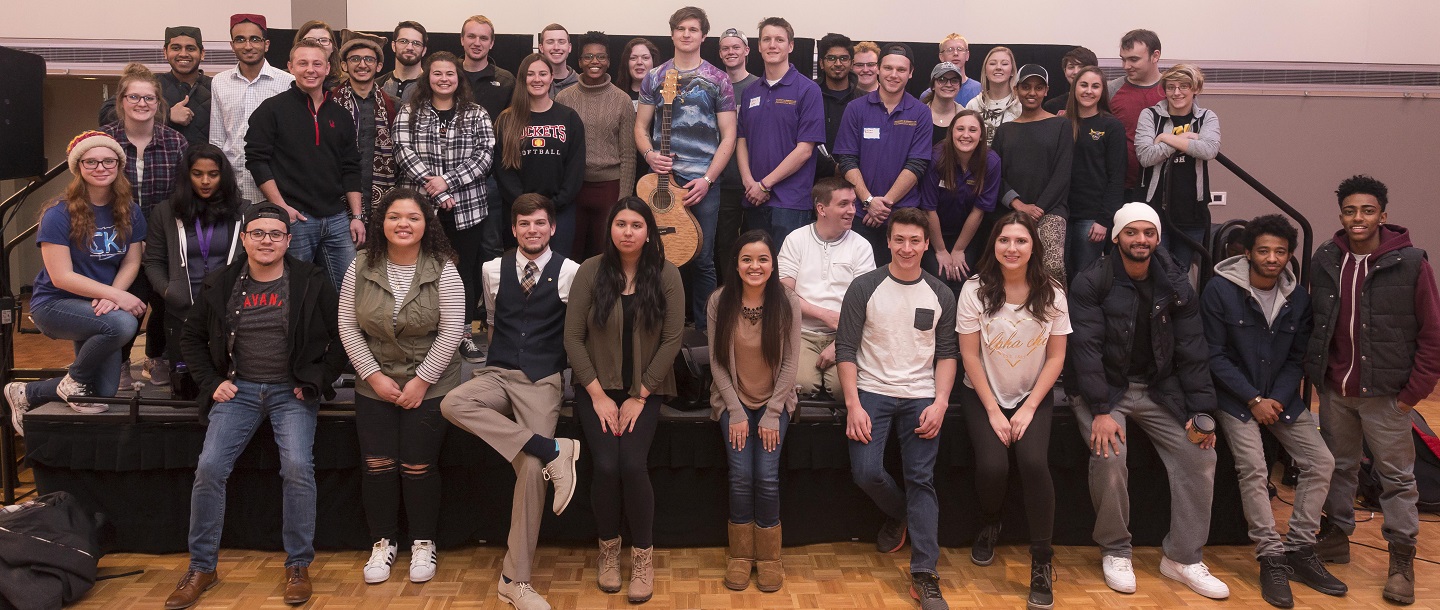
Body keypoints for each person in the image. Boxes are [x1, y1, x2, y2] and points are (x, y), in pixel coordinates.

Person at [165, 202, 345, 609]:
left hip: (290, 391)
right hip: (238, 389)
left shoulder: (311, 280)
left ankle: (298, 565)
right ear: (244, 238)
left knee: (298, 467)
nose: (267, 241)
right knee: (209, 467)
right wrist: (212, 384)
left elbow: (343, 340)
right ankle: (202, 568)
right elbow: (190, 340)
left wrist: (315, 380)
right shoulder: (220, 283)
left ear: (288, 240)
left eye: (275, 234)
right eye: (258, 233)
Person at [1068, 202, 1229, 600]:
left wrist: (1201, 412)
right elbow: (1085, 352)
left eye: (1149, 233)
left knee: (1201, 455)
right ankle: (1115, 550)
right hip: (1105, 389)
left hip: (1160, 388)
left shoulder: (1176, 283)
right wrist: (1101, 412)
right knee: (1109, 456)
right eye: (1132, 232)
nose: (1141, 240)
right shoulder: (1092, 281)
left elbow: (1193, 349)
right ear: (1118, 237)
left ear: (1158, 238)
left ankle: (1183, 557)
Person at [440, 193, 583, 610]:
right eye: (523, 224)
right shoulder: (491, 268)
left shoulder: (570, 271)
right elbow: (494, 320)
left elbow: (573, 333)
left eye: (539, 223)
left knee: (532, 469)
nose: (531, 230)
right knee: (453, 403)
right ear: (513, 228)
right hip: (498, 372)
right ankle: (553, 449)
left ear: (552, 227)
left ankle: (514, 579)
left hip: (542, 379)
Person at [1201, 215, 1346, 608]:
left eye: (1280, 252)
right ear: (1247, 252)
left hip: (1281, 400)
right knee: (1255, 468)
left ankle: (1300, 549)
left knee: (1321, 462)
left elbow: (1297, 357)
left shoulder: (1298, 298)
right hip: (1236, 399)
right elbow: (1213, 355)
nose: (1271, 258)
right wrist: (1252, 399)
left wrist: (1276, 399)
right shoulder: (1220, 290)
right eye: (1263, 250)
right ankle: (1270, 556)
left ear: (1289, 256)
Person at [1310, 175, 1440, 606]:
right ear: (1341, 215)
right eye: (1350, 211)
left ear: (1383, 215)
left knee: (1397, 479)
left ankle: (1401, 560)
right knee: (1340, 467)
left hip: (1388, 394)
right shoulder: (1327, 257)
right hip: (1336, 390)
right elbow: (1317, 322)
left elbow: (1432, 334)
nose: (1358, 218)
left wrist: (1412, 394)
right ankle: (1336, 537)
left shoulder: (1411, 261)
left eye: (1367, 210)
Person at [339, 188, 465, 585]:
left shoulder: (443, 266)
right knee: (377, 465)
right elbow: (347, 325)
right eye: (395, 217)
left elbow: (451, 330)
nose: (403, 224)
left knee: (417, 465)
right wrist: (374, 376)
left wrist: (422, 382)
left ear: (426, 224)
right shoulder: (359, 264)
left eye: (413, 217)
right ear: (381, 223)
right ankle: (383, 542)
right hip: (373, 379)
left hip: (431, 382)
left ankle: (424, 542)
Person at [836, 207, 958, 610]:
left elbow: (946, 354)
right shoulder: (864, 286)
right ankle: (905, 514)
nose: (907, 248)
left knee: (921, 478)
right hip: (871, 389)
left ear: (926, 244)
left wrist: (941, 402)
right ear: (888, 241)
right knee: (866, 472)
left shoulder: (940, 293)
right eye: (899, 240)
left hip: (922, 394)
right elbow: (845, 349)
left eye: (915, 241)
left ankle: (925, 575)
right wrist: (853, 404)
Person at [564, 198, 685, 604]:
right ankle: (609, 552)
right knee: (607, 464)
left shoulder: (667, 274)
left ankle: (643, 558)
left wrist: (639, 395)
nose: (628, 231)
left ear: (648, 231)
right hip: (596, 387)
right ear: (610, 229)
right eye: (621, 223)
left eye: (636, 224)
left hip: (645, 388)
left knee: (632, 464)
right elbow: (572, 339)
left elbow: (672, 339)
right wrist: (597, 394)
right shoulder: (590, 271)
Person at [956, 211, 1069, 610]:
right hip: (983, 392)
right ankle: (990, 522)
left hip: (1032, 395)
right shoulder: (974, 289)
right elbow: (969, 355)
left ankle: (1041, 561)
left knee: (1034, 463)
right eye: (1005, 240)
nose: (1012, 248)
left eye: (1021, 241)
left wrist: (1029, 407)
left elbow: (1056, 358)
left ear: (1033, 247)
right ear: (994, 245)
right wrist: (992, 410)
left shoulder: (1052, 291)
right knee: (993, 467)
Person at [4, 132, 146, 430]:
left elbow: (133, 261)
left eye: (108, 160)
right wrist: (118, 298)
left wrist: (112, 295)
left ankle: (26, 392)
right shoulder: (59, 212)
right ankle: (75, 379)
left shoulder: (130, 210)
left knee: (103, 395)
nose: (100, 167)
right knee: (123, 324)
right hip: (56, 304)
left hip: (99, 305)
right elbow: (61, 276)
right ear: (78, 167)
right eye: (91, 161)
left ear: (119, 165)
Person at [709, 229, 801, 593]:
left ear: (773, 263)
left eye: (763, 259)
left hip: (773, 403)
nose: (755, 265)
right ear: (736, 263)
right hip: (733, 401)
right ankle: (740, 556)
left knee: (765, 476)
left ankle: (769, 557)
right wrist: (734, 409)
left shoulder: (787, 301)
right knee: (740, 475)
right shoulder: (719, 300)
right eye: (747, 259)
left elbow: (792, 360)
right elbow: (717, 361)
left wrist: (772, 411)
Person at [635, 6, 736, 329]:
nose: (686, 34)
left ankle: (705, 334)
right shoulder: (654, 77)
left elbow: (729, 135)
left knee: (703, 259)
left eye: (693, 29)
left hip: (702, 183)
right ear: (672, 34)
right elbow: (640, 127)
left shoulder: (718, 80)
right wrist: (650, 155)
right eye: (681, 29)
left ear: (703, 35)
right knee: (658, 257)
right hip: (663, 180)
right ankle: (660, 326)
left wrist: (708, 178)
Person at [393, 51, 496, 364]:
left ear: (458, 78)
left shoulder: (476, 113)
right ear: (428, 77)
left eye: (449, 74)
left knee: (462, 273)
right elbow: (402, 152)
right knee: (419, 270)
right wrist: (435, 190)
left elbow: (485, 155)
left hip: (468, 208)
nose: (443, 79)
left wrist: (448, 182)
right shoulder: (409, 112)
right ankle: (424, 334)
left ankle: (462, 335)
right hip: (420, 209)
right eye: (437, 74)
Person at [245, 39, 364, 288]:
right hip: (296, 219)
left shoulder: (341, 115)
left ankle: (339, 330)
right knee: (294, 290)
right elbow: (257, 161)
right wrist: (282, 208)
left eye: (317, 63)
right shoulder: (272, 110)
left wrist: (356, 216)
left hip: (337, 219)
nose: (310, 69)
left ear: (328, 68)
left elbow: (351, 166)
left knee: (348, 291)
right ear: (290, 67)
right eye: (303, 63)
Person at [102, 63, 189, 389]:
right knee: (124, 300)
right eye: (134, 97)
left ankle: (157, 357)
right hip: (114, 239)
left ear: (158, 103)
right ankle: (120, 361)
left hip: (162, 239)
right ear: (121, 100)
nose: (142, 104)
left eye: (149, 98)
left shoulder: (175, 142)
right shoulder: (105, 141)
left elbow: (183, 194)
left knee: (165, 300)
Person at [141, 144, 247, 383]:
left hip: (229, 311)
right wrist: (169, 291)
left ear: (224, 176)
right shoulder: (165, 212)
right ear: (187, 176)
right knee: (187, 387)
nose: (205, 181)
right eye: (197, 174)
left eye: (213, 174)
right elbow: (153, 261)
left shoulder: (242, 212)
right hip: (182, 310)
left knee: (229, 383)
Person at [833, 43, 931, 266]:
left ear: (911, 73)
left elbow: (917, 164)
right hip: (858, 214)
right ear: (878, 69)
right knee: (857, 280)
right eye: (888, 68)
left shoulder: (921, 112)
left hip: (902, 216)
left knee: (898, 281)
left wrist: (883, 205)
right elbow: (847, 159)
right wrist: (868, 201)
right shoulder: (855, 109)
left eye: (901, 70)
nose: (893, 75)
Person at [777, 178, 875, 397]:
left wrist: (841, 343)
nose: (852, 210)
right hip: (801, 332)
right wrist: (823, 314)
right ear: (821, 208)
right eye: (843, 204)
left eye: (853, 203)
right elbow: (784, 293)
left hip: (845, 334)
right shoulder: (796, 239)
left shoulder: (861, 246)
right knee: (801, 386)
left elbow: (866, 302)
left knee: (845, 390)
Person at [736, 17, 825, 249]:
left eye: (779, 40)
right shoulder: (750, 92)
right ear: (759, 46)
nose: (772, 45)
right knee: (755, 271)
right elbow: (741, 140)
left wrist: (765, 185)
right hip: (753, 199)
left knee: (786, 275)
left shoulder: (808, 90)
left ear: (791, 46)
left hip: (790, 202)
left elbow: (805, 150)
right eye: (766, 39)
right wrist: (749, 183)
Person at [496, 53, 587, 259]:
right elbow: (502, 170)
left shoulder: (569, 118)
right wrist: (525, 206)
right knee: (520, 271)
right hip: (519, 211)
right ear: (522, 79)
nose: (537, 79)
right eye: (530, 74)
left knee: (558, 271)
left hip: (560, 212)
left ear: (551, 77)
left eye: (543, 74)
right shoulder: (506, 120)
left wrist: (553, 205)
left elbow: (575, 168)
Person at [556, 31, 637, 260]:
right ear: (580, 61)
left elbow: (629, 155)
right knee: (571, 255)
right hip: (574, 188)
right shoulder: (564, 98)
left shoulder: (622, 100)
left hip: (609, 188)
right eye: (589, 57)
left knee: (608, 254)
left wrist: (623, 200)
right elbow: (560, 152)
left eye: (601, 57)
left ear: (608, 61)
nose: (595, 62)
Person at [990, 64, 1073, 280]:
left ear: (1046, 91)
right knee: (1011, 269)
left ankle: (1054, 314)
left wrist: (1038, 209)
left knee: (1051, 268)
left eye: (1038, 87)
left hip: (1051, 210)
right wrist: (1018, 205)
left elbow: (1062, 173)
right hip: (1011, 211)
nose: (1032, 93)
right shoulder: (1005, 130)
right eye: (1026, 87)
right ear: (1016, 89)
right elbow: (994, 175)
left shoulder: (1061, 125)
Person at [1136, 64, 1221, 272]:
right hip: (1155, 209)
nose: (1177, 93)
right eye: (1171, 87)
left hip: (1192, 211)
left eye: (1183, 86)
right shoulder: (1150, 115)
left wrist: (1166, 139)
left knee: (1181, 273)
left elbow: (1209, 150)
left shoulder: (1206, 117)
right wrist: (1184, 139)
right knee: (1157, 271)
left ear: (1195, 89)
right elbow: (1146, 156)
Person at [210, 13, 294, 204]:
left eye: (255, 39)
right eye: (240, 40)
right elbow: (217, 139)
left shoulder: (287, 82)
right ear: (232, 45)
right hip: (232, 185)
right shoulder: (219, 82)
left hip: (276, 185)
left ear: (266, 44)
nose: (248, 46)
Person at [919, 110, 1000, 288]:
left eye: (972, 130)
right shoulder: (936, 158)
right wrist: (941, 251)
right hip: (933, 233)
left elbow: (978, 212)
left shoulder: (991, 161)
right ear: (951, 133)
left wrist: (958, 250)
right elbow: (928, 209)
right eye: (960, 129)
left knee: (963, 280)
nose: (965, 135)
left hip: (966, 235)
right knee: (940, 279)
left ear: (981, 136)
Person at [99, 26, 212, 146]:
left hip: (203, 163)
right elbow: (107, 116)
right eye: (176, 48)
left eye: (190, 48)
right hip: (159, 161)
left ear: (202, 53)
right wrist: (167, 115)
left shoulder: (216, 86)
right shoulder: (150, 83)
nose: (183, 54)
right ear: (165, 52)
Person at [1064, 66, 1125, 280]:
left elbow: (1117, 177)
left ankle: (1083, 315)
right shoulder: (1062, 123)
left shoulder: (1111, 126)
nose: (1089, 91)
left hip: (1092, 218)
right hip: (1062, 213)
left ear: (1102, 92)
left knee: (1084, 277)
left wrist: (1104, 219)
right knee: (1059, 275)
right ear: (1074, 88)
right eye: (1084, 85)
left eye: (1095, 86)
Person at [333, 30, 398, 221]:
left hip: (382, 200)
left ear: (378, 66)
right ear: (344, 65)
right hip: (336, 202)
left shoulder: (394, 105)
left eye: (369, 59)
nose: (362, 65)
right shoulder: (329, 104)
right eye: (355, 59)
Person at [715, 27, 757, 277]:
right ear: (720, 53)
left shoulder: (758, 87)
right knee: (725, 246)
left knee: (756, 245)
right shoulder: (712, 85)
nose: (731, 52)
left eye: (736, 47)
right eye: (725, 48)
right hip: (722, 182)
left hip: (754, 182)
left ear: (747, 51)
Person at [1109, 29, 1166, 200]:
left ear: (1155, 56)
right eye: (1123, 59)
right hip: (1122, 186)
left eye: (1134, 59)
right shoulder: (1112, 89)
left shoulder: (1174, 90)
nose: (1126, 66)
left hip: (1164, 187)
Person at [812, 33, 858, 180]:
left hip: (857, 180)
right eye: (831, 58)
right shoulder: (809, 97)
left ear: (851, 63)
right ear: (821, 63)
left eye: (843, 58)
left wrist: (849, 169)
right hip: (816, 181)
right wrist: (832, 168)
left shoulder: (865, 99)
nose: (838, 63)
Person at [963, 46, 1019, 143]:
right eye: (993, 63)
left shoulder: (1020, 106)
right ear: (985, 70)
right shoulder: (973, 105)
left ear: (1013, 71)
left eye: (1004, 64)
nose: (998, 67)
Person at [376, 21, 427, 104]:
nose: (409, 47)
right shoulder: (377, 86)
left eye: (416, 43)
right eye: (403, 41)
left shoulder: (431, 87)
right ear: (393, 46)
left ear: (424, 50)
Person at [1043, 46, 1098, 114]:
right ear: (1065, 71)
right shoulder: (1052, 106)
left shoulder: (1102, 104)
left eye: (1082, 67)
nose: (1076, 72)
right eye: (1071, 67)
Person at [293, 20, 342, 90]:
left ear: (333, 48)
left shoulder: (346, 82)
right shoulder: (285, 78)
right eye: (310, 40)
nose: (318, 45)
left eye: (324, 40)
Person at [923, 63, 964, 144]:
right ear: (933, 85)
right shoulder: (919, 115)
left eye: (954, 80)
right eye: (942, 79)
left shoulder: (965, 116)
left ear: (959, 86)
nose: (949, 85)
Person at [938, 34, 981, 105]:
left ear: (967, 55)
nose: (955, 53)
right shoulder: (931, 93)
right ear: (941, 57)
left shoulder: (979, 90)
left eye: (960, 49)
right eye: (950, 50)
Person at [616, 37, 659, 106]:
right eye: (633, 58)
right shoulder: (616, 95)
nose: (639, 62)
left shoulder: (663, 95)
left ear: (653, 61)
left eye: (645, 58)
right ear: (626, 62)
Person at [539, 24, 579, 95]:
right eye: (550, 42)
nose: (556, 47)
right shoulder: (533, 84)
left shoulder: (582, 84)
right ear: (541, 48)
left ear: (569, 47)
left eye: (561, 42)